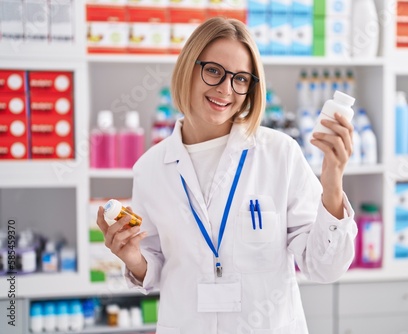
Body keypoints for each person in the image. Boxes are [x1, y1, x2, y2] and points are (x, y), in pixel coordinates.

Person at [96, 16, 357, 334]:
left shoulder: (280, 154)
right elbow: (153, 262)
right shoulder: (151, 168)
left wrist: (331, 185)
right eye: (214, 71)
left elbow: (324, 268)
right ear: (189, 68)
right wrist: (133, 257)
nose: (225, 89)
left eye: (241, 79)